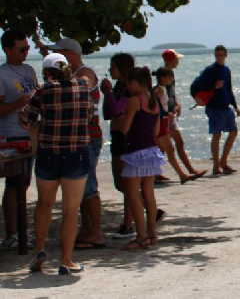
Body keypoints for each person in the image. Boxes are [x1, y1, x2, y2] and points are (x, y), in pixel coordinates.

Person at [22, 53, 91, 275]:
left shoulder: (43, 91)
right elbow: (90, 115)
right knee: (71, 211)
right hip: (76, 154)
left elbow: (26, 119)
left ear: (47, 72)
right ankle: (66, 260)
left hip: (48, 154)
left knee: (44, 204)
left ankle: (40, 249)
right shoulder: (83, 87)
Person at [41, 38, 105, 249]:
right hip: (78, 137)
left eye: (60, 54)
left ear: (70, 54)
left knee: (88, 185)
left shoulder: (85, 73)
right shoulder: (71, 75)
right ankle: (88, 231)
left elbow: (79, 85)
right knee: (82, 186)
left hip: (88, 136)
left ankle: (94, 232)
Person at [120, 67, 166, 250]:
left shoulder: (134, 101)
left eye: (129, 83)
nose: (128, 87)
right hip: (151, 150)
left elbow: (125, 128)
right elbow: (156, 130)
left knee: (133, 195)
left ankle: (141, 236)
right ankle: (152, 234)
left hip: (136, 151)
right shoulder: (154, 101)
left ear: (137, 83)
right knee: (149, 193)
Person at [0, 30, 38, 249]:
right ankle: (12, 233)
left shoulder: (29, 70)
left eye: (27, 48)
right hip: (10, 135)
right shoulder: (2, 74)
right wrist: (19, 102)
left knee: (23, 184)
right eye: (21, 49)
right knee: (13, 184)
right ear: (7, 50)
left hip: (28, 134)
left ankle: (20, 231)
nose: (26, 53)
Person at [101, 53, 135, 237]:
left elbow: (117, 110)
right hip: (117, 135)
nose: (110, 70)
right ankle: (139, 213)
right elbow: (108, 113)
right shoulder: (119, 87)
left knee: (125, 183)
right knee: (120, 183)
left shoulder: (128, 89)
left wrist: (107, 93)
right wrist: (107, 94)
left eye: (112, 67)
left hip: (125, 137)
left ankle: (128, 222)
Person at [161, 49, 206, 179]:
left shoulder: (170, 73)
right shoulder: (165, 74)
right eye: (176, 59)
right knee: (176, 143)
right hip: (167, 115)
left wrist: (177, 104)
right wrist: (171, 108)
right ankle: (190, 170)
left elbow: (171, 94)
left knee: (164, 145)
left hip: (170, 113)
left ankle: (156, 172)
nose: (178, 62)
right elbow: (165, 94)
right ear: (170, 60)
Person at [198, 45, 240, 175]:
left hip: (226, 106)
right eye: (217, 55)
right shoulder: (210, 70)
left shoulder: (226, 70)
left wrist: (235, 106)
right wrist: (213, 86)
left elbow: (229, 88)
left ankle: (223, 161)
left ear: (226, 55)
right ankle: (216, 166)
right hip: (214, 107)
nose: (219, 57)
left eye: (222, 55)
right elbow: (200, 86)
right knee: (217, 135)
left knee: (233, 132)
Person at [152, 67, 200, 184]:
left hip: (163, 121)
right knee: (168, 149)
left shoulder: (162, 89)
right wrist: (165, 113)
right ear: (163, 78)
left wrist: (169, 112)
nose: (172, 79)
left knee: (166, 149)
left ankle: (176, 175)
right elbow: (154, 104)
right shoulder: (159, 90)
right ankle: (181, 175)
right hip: (161, 121)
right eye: (170, 76)